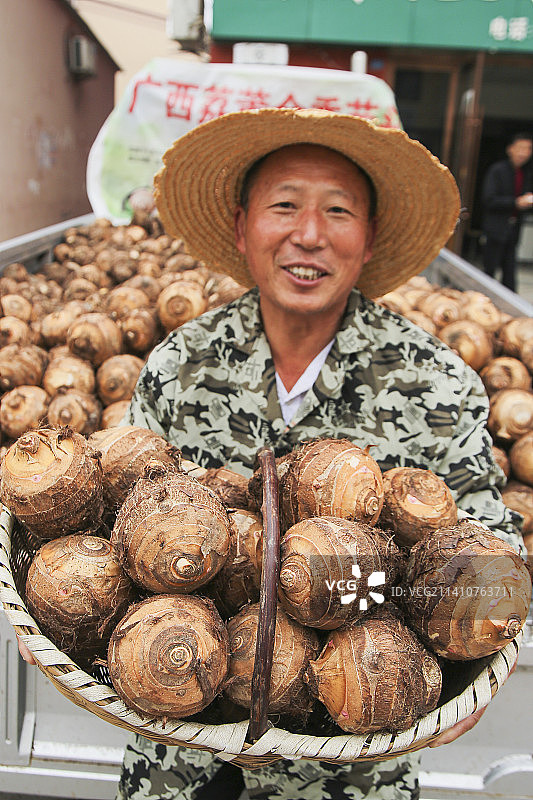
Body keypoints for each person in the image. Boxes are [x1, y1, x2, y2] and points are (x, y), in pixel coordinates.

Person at [18, 108, 526, 799]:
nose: (308, 235)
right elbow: (109, 521)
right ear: (241, 227)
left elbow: (495, 566)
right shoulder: (179, 363)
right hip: (183, 752)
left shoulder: (434, 381)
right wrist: (55, 614)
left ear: (369, 237)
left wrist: (359, 589)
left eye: (338, 211)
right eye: (283, 206)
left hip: (359, 757)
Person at [481, 131, 533, 292]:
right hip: (496, 228)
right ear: (510, 149)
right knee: (489, 271)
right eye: (520, 148)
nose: (524, 153)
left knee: (510, 273)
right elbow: (489, 200)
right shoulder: (498, 170)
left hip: (513, 228)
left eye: (528, 149)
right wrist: (516, 202)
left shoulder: (526, 173)